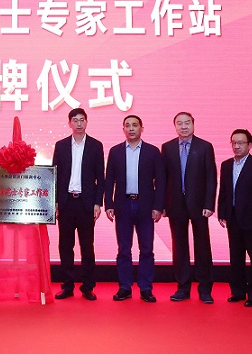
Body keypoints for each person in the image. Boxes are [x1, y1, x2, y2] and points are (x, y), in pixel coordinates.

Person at [104, 115, 165, 303]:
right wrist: (109, 204)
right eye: (127, 126)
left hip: (145, 206)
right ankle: (125, 287)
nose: (131, 129)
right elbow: (109, 180)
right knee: (124, 248)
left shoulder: (152, 152)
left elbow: (160, 181)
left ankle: (146, 288)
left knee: (146, 249)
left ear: (141, 128)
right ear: (123, 129)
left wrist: (158, 206)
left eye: (135, 125)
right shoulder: (115, 151)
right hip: (122, 205)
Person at [162, 111, 216, 304]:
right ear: (175, 126)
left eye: (187, 123)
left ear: (193, 124)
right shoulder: (167, 148)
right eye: (180, 123)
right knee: (179, 247)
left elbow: (211, 178)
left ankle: (205, 289)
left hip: (199, 205)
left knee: (202, 247)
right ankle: (183, 287)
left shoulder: (205, 146)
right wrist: (163, 205)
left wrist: (209, 204)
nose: (183, 126)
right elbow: (163, 179)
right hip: (175, 204)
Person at [52, 108, 105, 301]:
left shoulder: (96, 145)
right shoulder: (61, 145)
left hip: (86, 203)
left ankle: (88, 287)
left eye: (82, 120)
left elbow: (101, 177)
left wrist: (98, 202)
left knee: (87, 247)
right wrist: (54, 202)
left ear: (86, 122)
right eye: (75, 120)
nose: (79, 123)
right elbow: (54, 175)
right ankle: (67, 286)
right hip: (66, 203)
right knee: (66, 246)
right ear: (69, 123)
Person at [218, 129, 252, 307]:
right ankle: (238, 292)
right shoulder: (226, 165)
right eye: (234, 143)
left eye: (241, 143)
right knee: (236, 257)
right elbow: (224, 191)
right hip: (233, 218)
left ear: (250, 145)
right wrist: (222, 212)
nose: (237, 146)